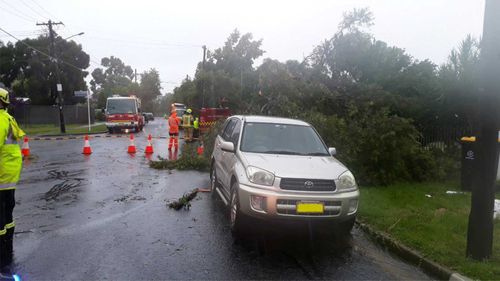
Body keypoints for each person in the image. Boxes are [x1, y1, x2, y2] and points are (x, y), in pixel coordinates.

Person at [0, 88, 25, 276]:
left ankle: (2, 261)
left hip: (2, 173)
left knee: (1, 215)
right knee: (7, 212)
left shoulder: (0, 120)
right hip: (9, 174)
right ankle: (8, 250)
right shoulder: (7, 117)